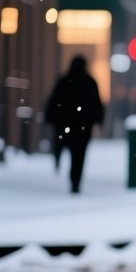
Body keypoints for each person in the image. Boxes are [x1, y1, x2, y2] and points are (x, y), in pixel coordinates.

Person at [45, 55, 106, 194]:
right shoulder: (89, 82)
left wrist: (52, 119)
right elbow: (96, 105)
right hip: (82, 127)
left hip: (66, 124)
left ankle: (59, 158)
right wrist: (97, 121)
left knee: (64, 145)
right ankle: (75, 180)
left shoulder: (64, 81)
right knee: (79, 155)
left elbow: (54, 102)